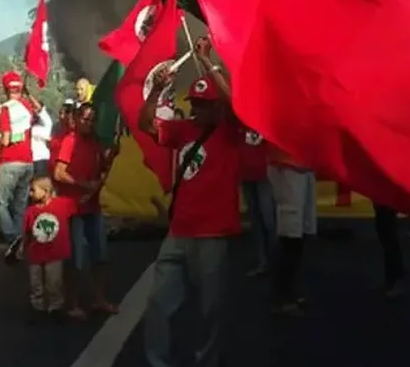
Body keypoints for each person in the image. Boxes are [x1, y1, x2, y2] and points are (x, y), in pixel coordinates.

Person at [139, 36, 240, 367]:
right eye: (193, 102)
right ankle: (158, 362)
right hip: (178, 233)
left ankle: (207, 361)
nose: (195, 108)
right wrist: (156, 89)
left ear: (217, 107)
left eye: (202, 103)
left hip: (213, 235)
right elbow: (145, 123)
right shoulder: (183, 130)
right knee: (157, 304)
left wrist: (209, 62)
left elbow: (236, 106)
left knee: (212, 310)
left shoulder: (230, 132)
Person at [53, 103, 117, 319]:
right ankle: (72, 302)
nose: (88, 123)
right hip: (74, 207)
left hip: (92, 205)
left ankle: (99, 300)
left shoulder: (95, 143)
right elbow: (59, 173)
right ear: (77, 119)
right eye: (85, 119)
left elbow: (100, 168)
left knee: (100, 256)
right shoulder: (70, 141)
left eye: (92, 120)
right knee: (75, 258)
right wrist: (83, 185)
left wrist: (111, 156)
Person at [0, 72, 42, 261]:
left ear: (5, 89)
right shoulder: (27, 107)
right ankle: (21, 243)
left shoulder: (6, 110)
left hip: (10, 161)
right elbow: (39, 110)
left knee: (0, 203)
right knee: (20, 205)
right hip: (28, 161)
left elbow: (5, 140)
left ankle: (12, 238)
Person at [266, 143, 317, 315]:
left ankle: (290, 292)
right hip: (287, 167)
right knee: (290, 234)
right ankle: (283, 297)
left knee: (302, 232)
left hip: (304, 167)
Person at [23, 176, 77, 321]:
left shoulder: (62, 204)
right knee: (36, 283)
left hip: (55, 252)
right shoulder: (31, 211)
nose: (30, 193)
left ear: (46, 191)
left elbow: (78, 204)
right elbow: (27, 232)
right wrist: (24, 249)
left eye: (33, 190)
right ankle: (38, 308)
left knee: (54, 282)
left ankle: (56, 307)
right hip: (36, 253)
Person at [240, 128, 275, 277]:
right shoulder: (239, 119)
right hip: (247, 173)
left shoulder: (264, 118)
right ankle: (262, 262)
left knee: (269, 220)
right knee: (257, 221)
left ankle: (275, 262)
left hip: (265, 174)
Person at [31, 106, 54, 179]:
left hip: (42, 159)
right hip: (31, 160)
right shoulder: (29, 128)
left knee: (41, 183)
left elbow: (41, 111)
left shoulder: (47, 126)